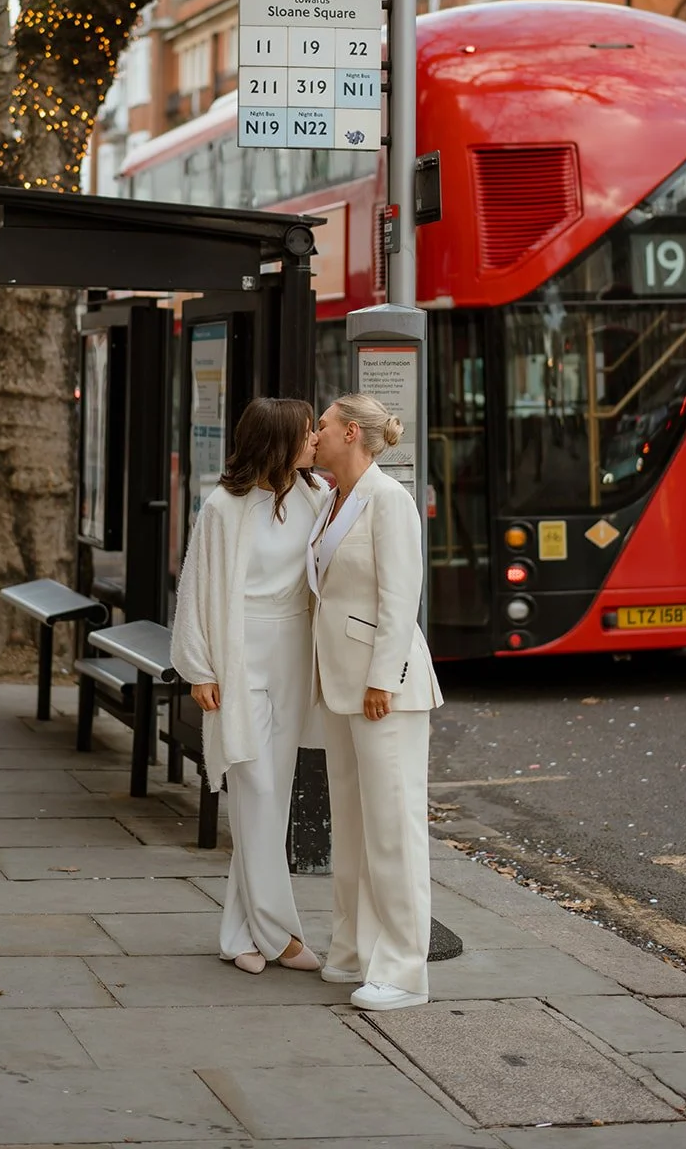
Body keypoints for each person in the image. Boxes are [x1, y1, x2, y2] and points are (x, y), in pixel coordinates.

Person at [171, 396, 326, 975]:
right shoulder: (223, 507)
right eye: (307, 432)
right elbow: (196, 589)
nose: (315, 440)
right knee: (257, 792)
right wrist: (200, 668)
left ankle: (238, 935)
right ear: (279, 440)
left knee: (273, 797)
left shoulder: (315, 497)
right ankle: (279, 933)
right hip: (240, 657)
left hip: (293, 655)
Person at [308, 392, 444, 1011]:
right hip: (341, 683)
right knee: (355, 827)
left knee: (393, 830)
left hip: (383, 689)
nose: (315, 435)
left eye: (324, 426)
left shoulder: (391, 500)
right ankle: (354, 950)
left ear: (354, 434)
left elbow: (400, 600)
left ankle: (404, 970)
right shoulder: (330, 497)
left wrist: (382, 681)